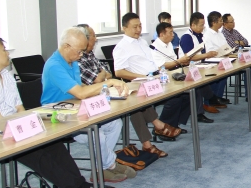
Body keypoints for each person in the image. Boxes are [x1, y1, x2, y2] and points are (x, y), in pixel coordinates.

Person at [0, 36, 117, 188]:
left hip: (17, 125)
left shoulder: (7, 76)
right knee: (36, 153)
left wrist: (28, 125)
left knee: (53, 144)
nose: (7, 53)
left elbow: (19, 107)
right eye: (3, 50)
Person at [41, 27, 136, 182]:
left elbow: (81, 88)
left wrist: (100, 91)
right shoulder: (54, 66)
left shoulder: (72, 62)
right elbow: (80, 93)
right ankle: (110, 165)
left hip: (76, 109)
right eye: (79, 51)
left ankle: (101, 168)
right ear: (66, 46)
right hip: (57, 117)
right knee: (96, 134)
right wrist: (108, 82)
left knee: (115, 123)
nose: (81, 55)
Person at [76, 24, 185, 157]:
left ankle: (152, 135)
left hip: (108, 91)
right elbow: (102, 78)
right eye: (94, 36)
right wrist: (103, 75)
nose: (96, 39)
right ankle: (156, 129)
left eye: (140, 26)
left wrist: (103, 75)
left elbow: (108, 73)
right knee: (133, 103)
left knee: (135, 101)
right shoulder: (79, 58)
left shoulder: (90, 55)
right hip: (94, 98)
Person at [113, 13, 186, 157]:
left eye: (140, 26)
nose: (138, 29)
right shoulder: (121, 47)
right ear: (124, 28)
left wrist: (157, 74)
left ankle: (158, 127)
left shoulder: (142, 42)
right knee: (136, 107)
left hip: (153, 79)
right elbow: (119, 72)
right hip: (137, 83)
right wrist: (143, 77)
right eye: (134, 27)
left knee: (180, 92)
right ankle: (154, 132)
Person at [152, 22, 214, 123]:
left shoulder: (169, 44)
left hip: (175, 72)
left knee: (196, 82)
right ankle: (201, 110)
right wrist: (179, 61)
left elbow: (173, 61)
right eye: (170, 32)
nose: (173, 35)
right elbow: (162, 66)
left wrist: (181, 62)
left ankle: (191, 115)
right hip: (164, 76)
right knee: (191, 89)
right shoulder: (155, 47)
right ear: (162, 34)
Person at [178, 12, 228, 109]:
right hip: (189, 67)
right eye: (201, 25)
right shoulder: (187, 37)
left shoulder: (200, 35)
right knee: (206, 79)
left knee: (220, 72)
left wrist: (209, 55)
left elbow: (204, 51)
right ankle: (209, 102)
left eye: (203, 25)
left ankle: (213, 99)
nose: (203, 27)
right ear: (193, 25)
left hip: (202, 64)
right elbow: (189, 57)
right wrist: (207, 55)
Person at [202, 11, 232, 100]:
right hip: (213, 60)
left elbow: (226, 46)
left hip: (223, 58)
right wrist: (222, 52)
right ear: (214, 22)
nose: (222, 22)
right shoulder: (207, 34)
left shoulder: (220, 33)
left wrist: (229, 51)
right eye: (220, 21)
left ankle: (218, 97)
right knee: (220, 75)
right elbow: (210, 51)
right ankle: (213, 99)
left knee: (226, 73)